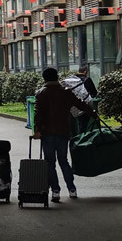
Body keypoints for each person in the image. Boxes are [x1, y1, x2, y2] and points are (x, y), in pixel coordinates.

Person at [34, 67, 94, 202]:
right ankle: (72, 189)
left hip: (47, 133)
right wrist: (93, 114)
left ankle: (55, 191)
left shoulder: (41, 93)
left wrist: (37, 130)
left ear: (44, 78)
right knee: (64, 161)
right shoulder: (66, 92)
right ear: (57, 77)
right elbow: (80, 104)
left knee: (50, 163)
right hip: (63, 131)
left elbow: (38, 114)